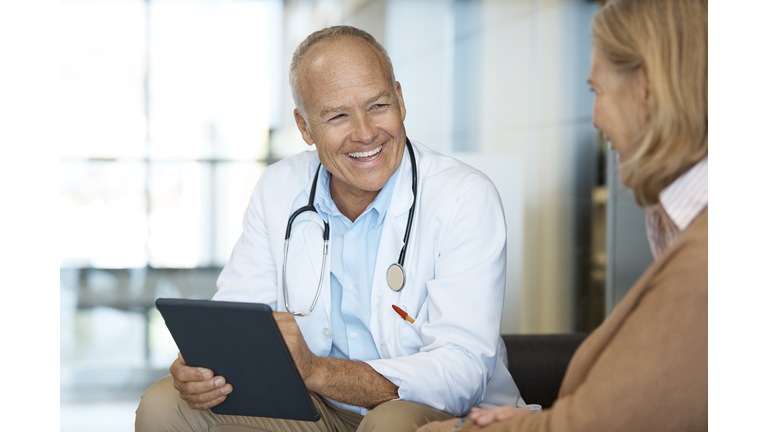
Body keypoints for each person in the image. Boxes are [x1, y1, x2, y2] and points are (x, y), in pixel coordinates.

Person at [135, 25, 526, 432]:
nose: (365, 132)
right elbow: (241, 318)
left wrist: (318, 371)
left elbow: (461, 372)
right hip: (313, 405)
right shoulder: (278, 188)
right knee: (165, 405)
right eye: (337, 115)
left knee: (389, 423)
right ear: (304, 127)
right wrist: (206, 367)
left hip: (429, 409)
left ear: (400, 98)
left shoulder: (464, 196)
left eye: (377, 105)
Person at [417, 0, 708, 431]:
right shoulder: (684, 228)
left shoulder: (706, 258)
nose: (594, 119)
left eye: (597, 91)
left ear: (645, 85)